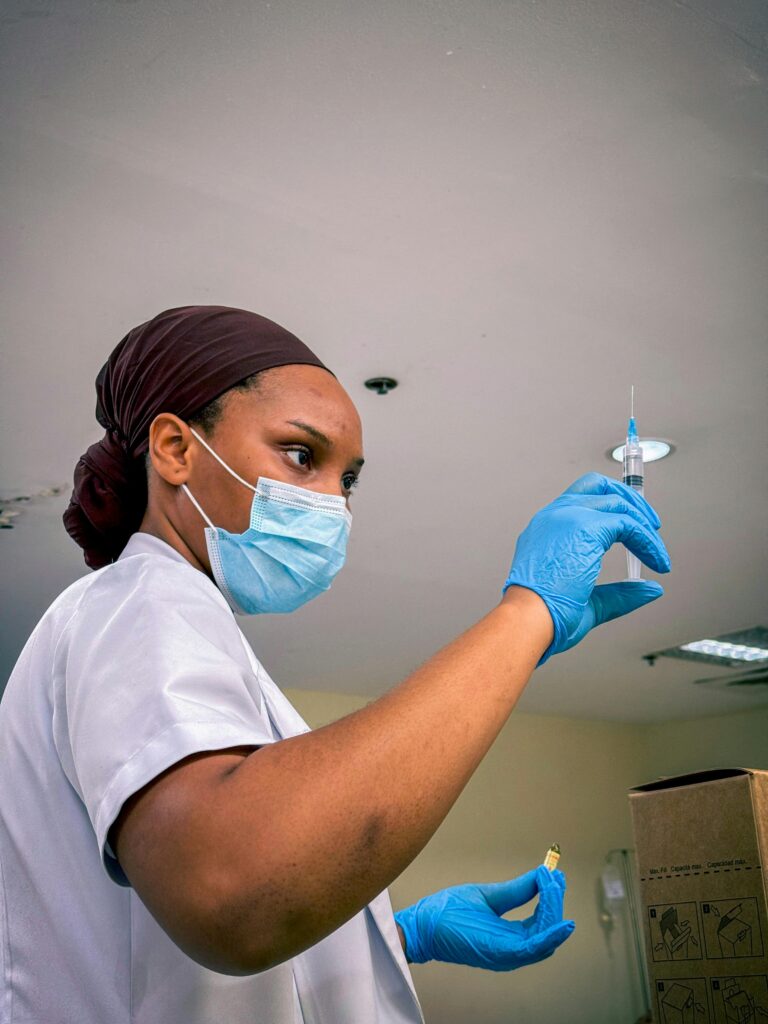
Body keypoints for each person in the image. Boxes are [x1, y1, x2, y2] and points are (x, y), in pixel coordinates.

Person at [0, 306, 670, 1023]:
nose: (333, 503)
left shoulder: (181, 626)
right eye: (300, 455)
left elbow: (195, 922)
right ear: (174, 448)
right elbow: (233, 889)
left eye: (347, 478)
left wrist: (390, 932)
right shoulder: (137, 601)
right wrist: (524, 615)